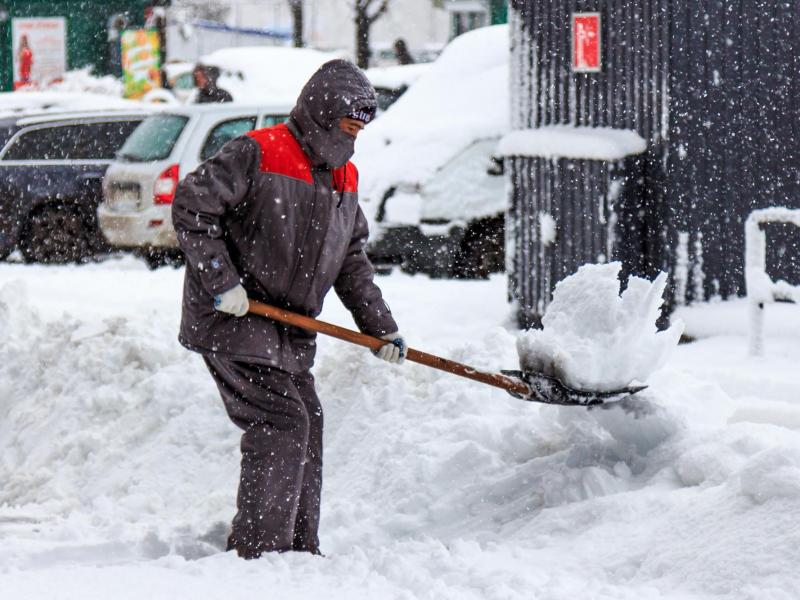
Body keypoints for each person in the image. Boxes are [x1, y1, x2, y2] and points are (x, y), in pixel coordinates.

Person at [172, 59, 406, 559]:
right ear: (323, 113)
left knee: (308, 419)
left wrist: (382, 329)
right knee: (281, 421)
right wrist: (223, 282)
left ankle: (298, 550)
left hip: (286, 330)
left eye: (361, 129)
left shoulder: (344, 177)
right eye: (348, 126)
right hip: (233, 317)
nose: (354, 137)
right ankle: (261, 553)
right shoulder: (260, 152)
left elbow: (351, 261)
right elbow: (192, 204)